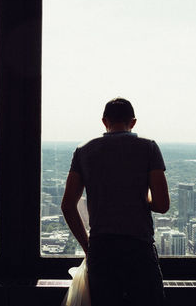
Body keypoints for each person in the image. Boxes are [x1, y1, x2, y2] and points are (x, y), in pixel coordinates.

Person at [61, 97, 170, 306]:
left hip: (102, 250)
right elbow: (162, 205)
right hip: (139, 248)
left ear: (104, 121)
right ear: (134, 122)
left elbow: (67, 206)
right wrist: (140, 195)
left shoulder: (84, 151)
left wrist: (88, 246)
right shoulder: (149, 147)